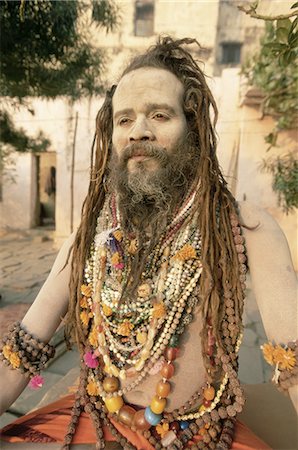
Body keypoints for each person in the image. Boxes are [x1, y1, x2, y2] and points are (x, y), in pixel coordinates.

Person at [0, 37, 297, 450]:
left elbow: (294, 358)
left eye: (159, 115)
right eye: (124, 120)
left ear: (192, 126)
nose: (139, 131)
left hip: (197, 435)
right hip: (99, 422)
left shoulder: (245, 227)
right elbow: (24, 349)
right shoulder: (90, 236)